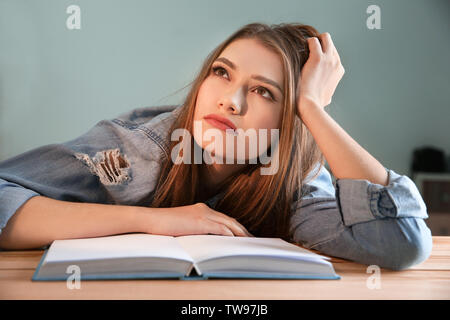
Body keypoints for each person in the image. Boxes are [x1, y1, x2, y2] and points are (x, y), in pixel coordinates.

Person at [0, 22, 432, 271]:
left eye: (264, 92)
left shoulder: (291, 184)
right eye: (222, 72)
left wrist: (314, 109)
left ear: (289, 121)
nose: (232, 99)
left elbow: (401, 242)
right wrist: (155, 221)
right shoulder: (136, 149)